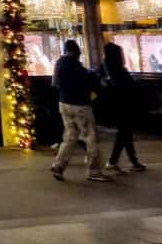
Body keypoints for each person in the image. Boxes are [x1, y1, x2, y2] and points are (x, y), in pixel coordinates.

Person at [51, 40, 110, 182]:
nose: (80, 54)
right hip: (80, 106)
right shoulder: (76, 67)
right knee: (90, 137)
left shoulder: (59, 64)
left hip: (63, 104)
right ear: (74, 51)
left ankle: (58, 165)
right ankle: (94, 171)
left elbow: (54, 83)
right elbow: (90, 83)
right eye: (78, 51)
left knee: (70, 136)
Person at [101, 41, 147, 173]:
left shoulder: (106, 68)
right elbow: (126, 87)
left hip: (115, 106)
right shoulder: (118, 70)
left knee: (125, 133)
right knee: (124, 133)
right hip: (123, 105)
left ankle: (129, 161)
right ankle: (115, 161)